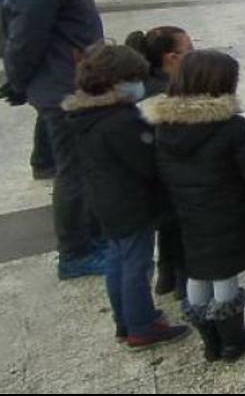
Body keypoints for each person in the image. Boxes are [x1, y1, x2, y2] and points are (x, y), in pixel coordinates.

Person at [143, 50, 245, 363]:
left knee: (198, 272)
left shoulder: (163, 126)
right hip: (229, 214)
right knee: (224, 273)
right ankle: (233, 340)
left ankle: (210, 341)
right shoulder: (233, 128)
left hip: (187, 214)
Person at [1, 0, 109, 279]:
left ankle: (93, 236)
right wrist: (18, 82)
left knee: (87, 165)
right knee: (75, 170)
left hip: (78, 80)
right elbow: (23, 39)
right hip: (64, 88)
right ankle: (76, 253)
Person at [62, 43, 189, 350]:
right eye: (134, 78)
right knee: (137, 264)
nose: (139, 85)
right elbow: (145, 162)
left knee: (116, 259)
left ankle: (125, 320)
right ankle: (142, 327)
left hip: (104, 201)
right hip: (130, 203)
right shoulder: (119, 120)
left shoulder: (85, 115)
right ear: (116, 81)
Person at [126, 25, 193, 299]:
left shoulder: (145, 86)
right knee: (181, 225)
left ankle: (167, 275)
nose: (195, 54)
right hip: (167, 177)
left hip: (149, 180)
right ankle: (183, 282)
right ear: (171, 58)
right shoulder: (165, 97)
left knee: (169, 223)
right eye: (189, 50)